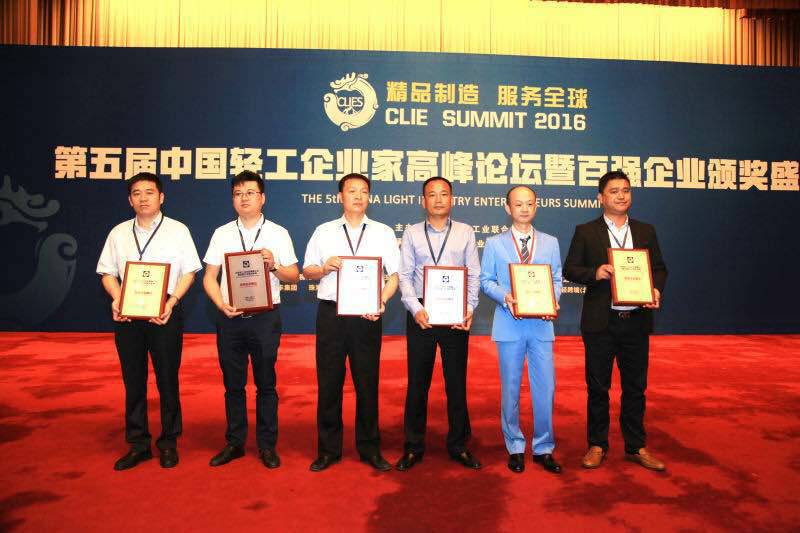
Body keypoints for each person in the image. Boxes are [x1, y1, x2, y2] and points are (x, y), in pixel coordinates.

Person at [564, 170, 668, 471]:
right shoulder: (586, 231)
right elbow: (571, 268)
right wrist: (595, 272)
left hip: (636, 321)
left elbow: (659, 268)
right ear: (601, 197)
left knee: (635, 387)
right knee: (598, 387)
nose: (621, 196)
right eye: (614, 191)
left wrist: (655, 289)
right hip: (601, 322)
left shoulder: (645, 230)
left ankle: (636, 446)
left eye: (626, 190)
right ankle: (597, 444)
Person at [97, 172, 201, 470]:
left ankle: (168, 442)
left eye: (149, 192)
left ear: (161, 197)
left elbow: (189, 272)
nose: (143, 198)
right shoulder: (118, 233)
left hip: (164, 313)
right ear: (130, 200)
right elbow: (107, 272)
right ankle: (138, 443)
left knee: (167, 379)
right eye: (137, 193)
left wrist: (172, 301)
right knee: (133, 380)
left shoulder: (178, 231)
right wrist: (117, 298)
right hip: (128, 315)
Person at [302, 173, 400, 472]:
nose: (358, 196)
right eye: (352, 191)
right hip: (332, 314)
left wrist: (382, 300)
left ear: (369, 197)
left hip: (367, 315)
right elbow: (307, 270)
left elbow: (394, 276)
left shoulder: (383, 232)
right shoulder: (324, 231)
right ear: (340, 196)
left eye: (364, 191)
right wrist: (323, 268)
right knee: (329, 382)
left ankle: (370, 448)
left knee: (367, 383)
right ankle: (328, 450)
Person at [202, 170, 299, 469]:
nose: (244, 198)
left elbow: (294, 275)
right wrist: (221, 304)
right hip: (230, 318)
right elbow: (209, 277)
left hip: (264, 319)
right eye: (238, 193)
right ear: (233, 199)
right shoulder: (222, 233)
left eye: (250, 192)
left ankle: (267, 445)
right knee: (233, 384)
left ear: (262, 198)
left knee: (266, 383)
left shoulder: (278, 233)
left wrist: (274, 265)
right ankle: (235, 442)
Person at [395, 177, 481, 471]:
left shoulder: (465, 232)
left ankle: (459, 444)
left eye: (444, 194)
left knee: (456, 382)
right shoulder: (412, 233)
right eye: (432, 195)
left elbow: (473, 273)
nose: (438, 199)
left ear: (452, 199)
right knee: (417, 383)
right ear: (423, 201)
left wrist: (469, 308)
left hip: (456, 314)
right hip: (422, 314)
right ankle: (413, 446)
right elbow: (405, 275)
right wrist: (415, 308)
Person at [480, 185, 562, 474]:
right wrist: (505, 297)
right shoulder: (494, 243)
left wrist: (552, 300)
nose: (524, 208)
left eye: (529, 203)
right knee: (511, 389)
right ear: (508, 208)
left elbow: (556, 279)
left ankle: (544, 447)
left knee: (546, 388)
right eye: (518, 204)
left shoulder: (550, 242)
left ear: (536, 207)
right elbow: (485, 280)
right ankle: (514, 445)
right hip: (509, 324)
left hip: (541, 325)